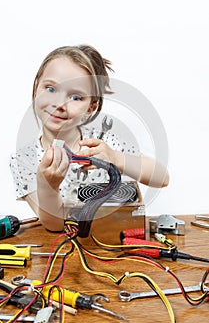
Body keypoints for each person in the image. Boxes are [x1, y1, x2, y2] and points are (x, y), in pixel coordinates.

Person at [10, 44, 169, 231]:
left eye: (76, 97)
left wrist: (116, 158)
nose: (60, 104)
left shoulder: (104, 141)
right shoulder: (23, 160)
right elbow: (55, 225)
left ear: (91, 108)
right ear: (37, 87)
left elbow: (162, 178)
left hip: (114, 236)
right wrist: (48, 187)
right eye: (51, 89)